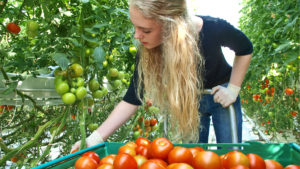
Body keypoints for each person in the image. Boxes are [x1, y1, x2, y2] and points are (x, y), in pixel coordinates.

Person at [71, 0, 253, 151]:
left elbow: (245, 48)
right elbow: (133, 98)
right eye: (135, 27)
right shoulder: (148, 48)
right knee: (190, 158)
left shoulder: (212, 28)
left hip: (221, 96)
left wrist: (233, 89)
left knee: (232, 153)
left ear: (172, 25)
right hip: (189, 102)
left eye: (146, 30)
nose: (137, 35)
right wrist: (93, 139)